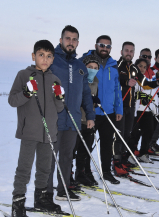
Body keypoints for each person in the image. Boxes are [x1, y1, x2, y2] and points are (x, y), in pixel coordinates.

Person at [9, 40, 65, 217]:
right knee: (24, 169)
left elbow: (59, 108)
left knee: (45, 168)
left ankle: (41, 198)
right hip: (29, 132)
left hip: (48, 133)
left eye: (49, 56)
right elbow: (12, 100)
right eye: (41, 55)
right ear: (33, 56)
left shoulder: (54, 79)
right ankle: (17, 203)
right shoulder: (24, 75)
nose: (45, 59)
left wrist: (59, 96)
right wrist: (26, 93)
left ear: (53, 59)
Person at [49, 25, 95, 201]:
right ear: (61, 40)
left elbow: (85, 93)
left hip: (73, 119)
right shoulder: (52, 60)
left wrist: (90, 115)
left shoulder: (79, 66)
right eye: (68, 38)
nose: (71, 42)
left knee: (67, 157)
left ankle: (63, 189)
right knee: (50, 158)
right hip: (54, 118)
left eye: (74, 39)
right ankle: (46, 193)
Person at [81, 35, 123, 184]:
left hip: (108, 112)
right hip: (91, 111)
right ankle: (85, 172)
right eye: (102, 45)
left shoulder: (113, 64)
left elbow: (117, 88)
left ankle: (106, 172)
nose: (104, 48)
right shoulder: (86, 61)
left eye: (108, 46)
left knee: (106, 144)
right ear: (96, 45)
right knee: (87, 145)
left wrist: (119, 109)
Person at [114, 42, 159, 174]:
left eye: (131, 51)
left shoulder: (134, 68)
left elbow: (144, 82)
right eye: (126, 50)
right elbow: (113, 80)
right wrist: (125, 82)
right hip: (119, 105)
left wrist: (157, 83)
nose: (129, 53)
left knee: (127, 134)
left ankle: (123, 159)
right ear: (121, 51)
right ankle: (116, 162)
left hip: (130, 106)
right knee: (119, 135)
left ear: (134, 53)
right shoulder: (117, 66)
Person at [74, 55, 100, 186]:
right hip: (78, 119)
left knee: (85, 150)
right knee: (74, 149)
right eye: (90, 67)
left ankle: (81, 173)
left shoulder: (95, 80)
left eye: (95, 68)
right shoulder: (78, 78)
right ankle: (69, 175)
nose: (93, 70)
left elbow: (94, 98)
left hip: (89, 120)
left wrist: (95, 101)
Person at [128, 58, 157, 163]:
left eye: (145, 67)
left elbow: (152, 90)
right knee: (134, 133)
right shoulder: (133, 78)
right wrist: (139, 96)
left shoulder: (146, 79)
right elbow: (132, 92)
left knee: (148, 132)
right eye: (140, 66)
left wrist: (150, 100)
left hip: (147, 110)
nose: (142, 69)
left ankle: (143, 153)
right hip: (136, 110)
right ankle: (130, 154)